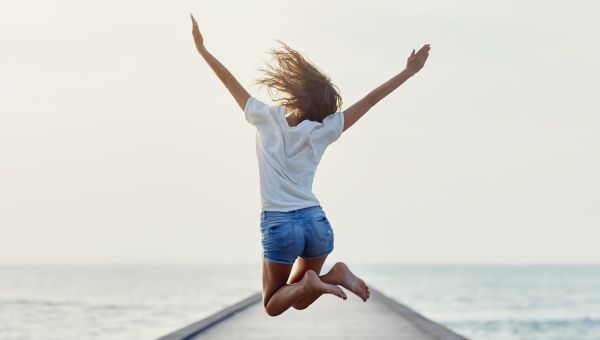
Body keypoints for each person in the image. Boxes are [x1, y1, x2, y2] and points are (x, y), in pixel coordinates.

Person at [190, 14, 430, 317]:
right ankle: (333, 276)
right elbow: (369, 100)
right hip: (316, 224)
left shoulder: (266, 118)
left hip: (280, 223)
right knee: (300, 297)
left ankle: (317, 282)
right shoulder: (323, 131)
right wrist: (408, 72)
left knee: (273, 304)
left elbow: (229, 82)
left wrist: (203, 51)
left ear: (296, 93)